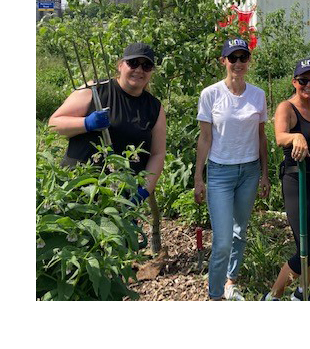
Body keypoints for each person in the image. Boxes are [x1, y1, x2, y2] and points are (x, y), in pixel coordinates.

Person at [49, 42, 167, 229]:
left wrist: (143, 192)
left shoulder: (154, 107)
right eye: (133, 63)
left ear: (151, 71)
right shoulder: (96, 90)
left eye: (146, 66)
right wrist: (86, 123)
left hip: (120, 195)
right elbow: (54, 124)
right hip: (77, 186)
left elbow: (158, 154)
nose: (139, 70)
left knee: (113, 244)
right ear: (120, 65)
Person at [193, 38, 270, 301]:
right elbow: (205, 138)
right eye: (232, 58)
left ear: (249, 61)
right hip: (220, 173)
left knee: (240, 231)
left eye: (243, 58)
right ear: (223, 61)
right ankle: (215, 295)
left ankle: (231, 281)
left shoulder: (258, 95)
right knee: (223, 240)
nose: (238, 63)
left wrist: (264, 174)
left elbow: (261, 137)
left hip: (249, 171)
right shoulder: (210, 94)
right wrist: (198, 178)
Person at [264, 59, 310, 300]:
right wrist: (296, 137)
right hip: (299, 181)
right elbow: (280, 136)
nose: (309, 85)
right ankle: (273, 296)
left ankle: (302, 292)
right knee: (306, 247)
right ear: (294, 82)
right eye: (303, 80)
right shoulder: (286, 107)